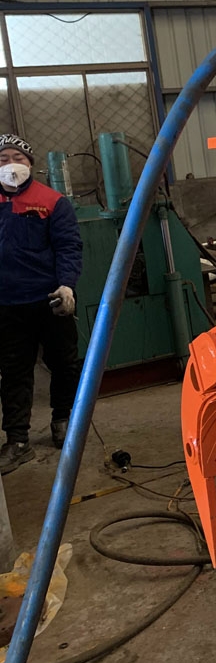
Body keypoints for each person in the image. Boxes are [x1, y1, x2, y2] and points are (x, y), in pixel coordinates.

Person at [0, 134, 83, 475]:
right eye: (3, 159)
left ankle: (63, 421)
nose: (10, 164)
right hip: (7, 304)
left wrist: (67, 285)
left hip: (49, 300)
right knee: (14, 371)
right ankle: (17, 441)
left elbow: (68, 247)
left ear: (30, 163)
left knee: (64, 363)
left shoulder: (52, 202)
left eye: (17, 157)